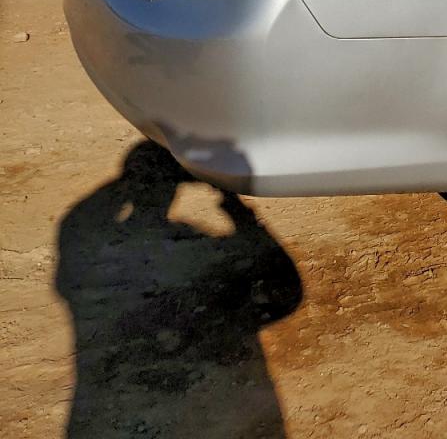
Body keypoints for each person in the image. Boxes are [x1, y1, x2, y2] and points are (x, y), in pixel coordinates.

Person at [56, 141, 301, 438]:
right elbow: (285, 289)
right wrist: (233, 203)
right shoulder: (210, 254)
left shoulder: (99, 256)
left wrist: (129, 184)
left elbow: (75, 229)